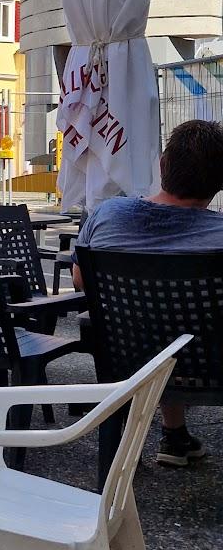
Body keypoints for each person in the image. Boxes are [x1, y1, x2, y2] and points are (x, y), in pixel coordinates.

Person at [73, 118, 223, 467]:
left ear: (163, 165)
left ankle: (141, 442)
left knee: (154, 319)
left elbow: (81, 280)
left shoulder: (108, 213)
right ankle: (173, 437)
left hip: (125, 355)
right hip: (206, 364)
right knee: (183, 320)